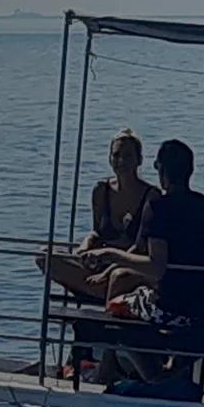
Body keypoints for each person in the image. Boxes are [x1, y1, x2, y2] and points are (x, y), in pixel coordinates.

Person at [80, 140, 204, 385]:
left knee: (117, 309)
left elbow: (156, 266)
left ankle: (154, 378)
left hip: (173, 309)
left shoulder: (159, 207)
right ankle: (173, 371)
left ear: (161, 171)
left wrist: (110, 255)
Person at [41, 128, 157, 300]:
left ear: (139, 160)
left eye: (128, 155)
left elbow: (141, 246)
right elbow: (97, 232)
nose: (121, 160)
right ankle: (100, 291)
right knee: (45, 256)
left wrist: (109, 271)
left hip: (129, 268)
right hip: (101, 262)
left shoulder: (151, 195)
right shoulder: (101, 190)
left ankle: (99, 290)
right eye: (116, 155)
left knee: (120, 276)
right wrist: (85, 246)